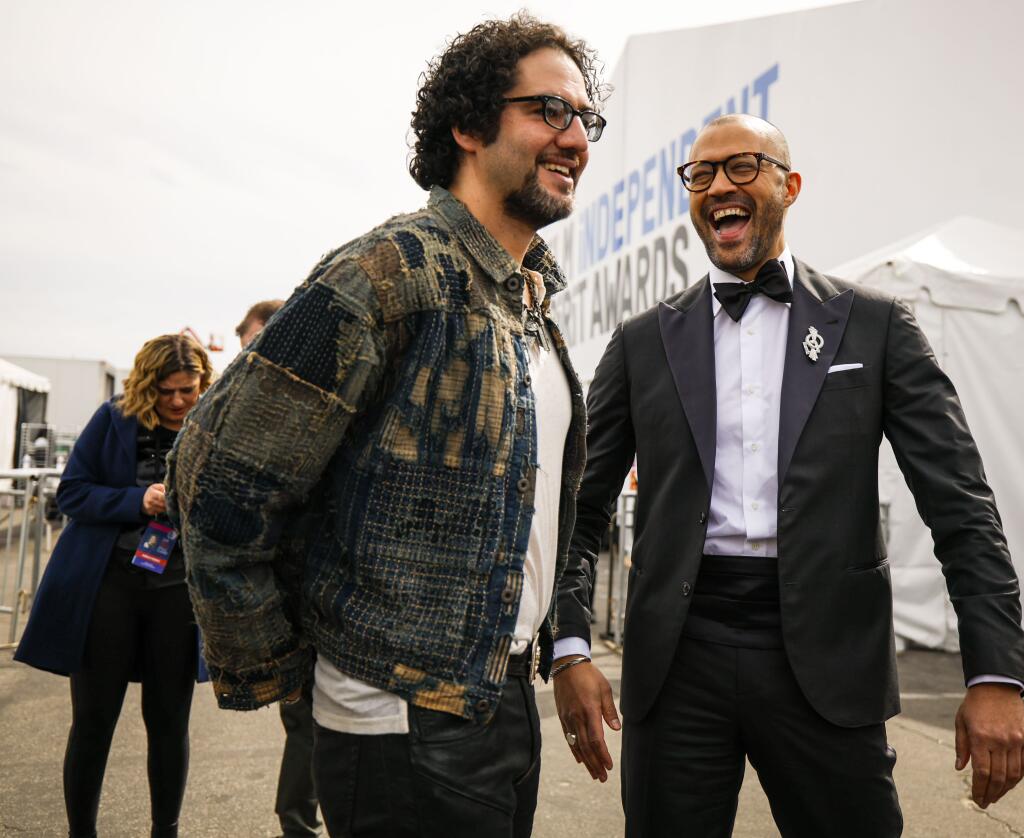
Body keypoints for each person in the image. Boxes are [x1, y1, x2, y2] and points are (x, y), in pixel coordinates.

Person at [167, 13, 606, 837]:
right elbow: (215, 476)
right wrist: (281, 669)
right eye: (550, 111)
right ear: (469, 124)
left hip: (501, 698)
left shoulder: (530, 302)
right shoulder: (387, 272)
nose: (576, 137)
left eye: (587, 119)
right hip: (394, 718)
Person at [552, 114, 1024, 837]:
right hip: (679, 659)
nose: (719, 184)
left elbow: (960, 505)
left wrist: (995, 672)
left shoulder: (874, 326)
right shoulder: (642, 341)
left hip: (827, 661)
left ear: (791, 184)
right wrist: (568, 648)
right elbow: (579, 511)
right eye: (702, 174)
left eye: (743, 166)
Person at [16, 334, 214, 838]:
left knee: (169, 723)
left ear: (202, 384)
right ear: (148, 385)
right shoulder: (115, 417)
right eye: (167, 390)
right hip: (108, 589)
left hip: (176, 593)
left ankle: (164, 831)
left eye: (188, 390)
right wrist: (136, 500)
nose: (177, 401)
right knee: (93, 723)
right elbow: (73, 493)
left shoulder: (214, 423)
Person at [237, 297, 323, 838]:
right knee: (304, 719)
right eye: (247, 348)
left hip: (323, 585)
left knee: (324, 722)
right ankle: (298, 826)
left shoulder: (319, 400)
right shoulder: (247, 406)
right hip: (279, 594)